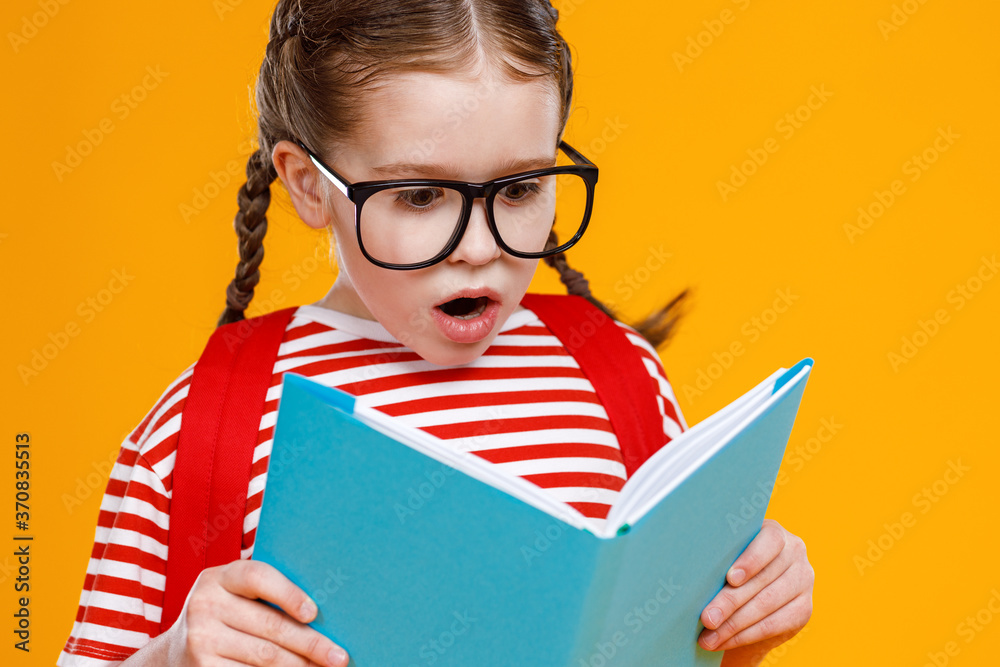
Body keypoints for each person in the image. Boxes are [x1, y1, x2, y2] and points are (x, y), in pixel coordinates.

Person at [58, 1, 814, 665]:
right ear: (309, 184)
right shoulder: (203, 427)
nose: (479, 246)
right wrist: (170, 659)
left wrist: (739, 620)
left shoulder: (618, 378)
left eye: (519, 188)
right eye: (420, 195)